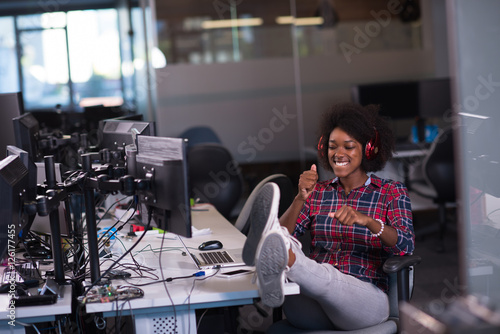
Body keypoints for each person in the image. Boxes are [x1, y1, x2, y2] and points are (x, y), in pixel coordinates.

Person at [242, 102, 415, 331]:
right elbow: (288, 230)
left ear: (368, 149)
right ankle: (282, 256)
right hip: (315, 305)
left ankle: (288, 260)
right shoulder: (319, 192)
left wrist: (368, 221)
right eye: (333, 146)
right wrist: (300, 198)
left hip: (364, 304)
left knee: (325, 276)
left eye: (348, 146)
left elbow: (405, 246)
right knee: (283, 238)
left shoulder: (391, 192)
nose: (338, 153)